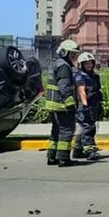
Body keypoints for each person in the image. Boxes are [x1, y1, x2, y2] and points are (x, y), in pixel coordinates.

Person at [44, 39, 81, 167]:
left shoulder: (54, 64)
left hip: (52, 105)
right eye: (72, 54)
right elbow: (64, 86)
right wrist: (70, 103)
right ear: (65, 52)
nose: (74, 56)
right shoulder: (64, 66)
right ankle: (64, 158)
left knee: (55, 131)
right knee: (66, 131)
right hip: (62, 105)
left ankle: (52, 156)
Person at [72, 51, 102, 160]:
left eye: (90, 63)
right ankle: (89, 151)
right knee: (88, 128)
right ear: (81, 65)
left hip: (94, 105)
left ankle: (77, 150)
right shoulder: (80, 76)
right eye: (86, 63)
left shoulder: (94, 76)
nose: (89, 65)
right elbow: (81, 91)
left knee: (84, 128)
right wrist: (85, 106)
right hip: (84, 106)